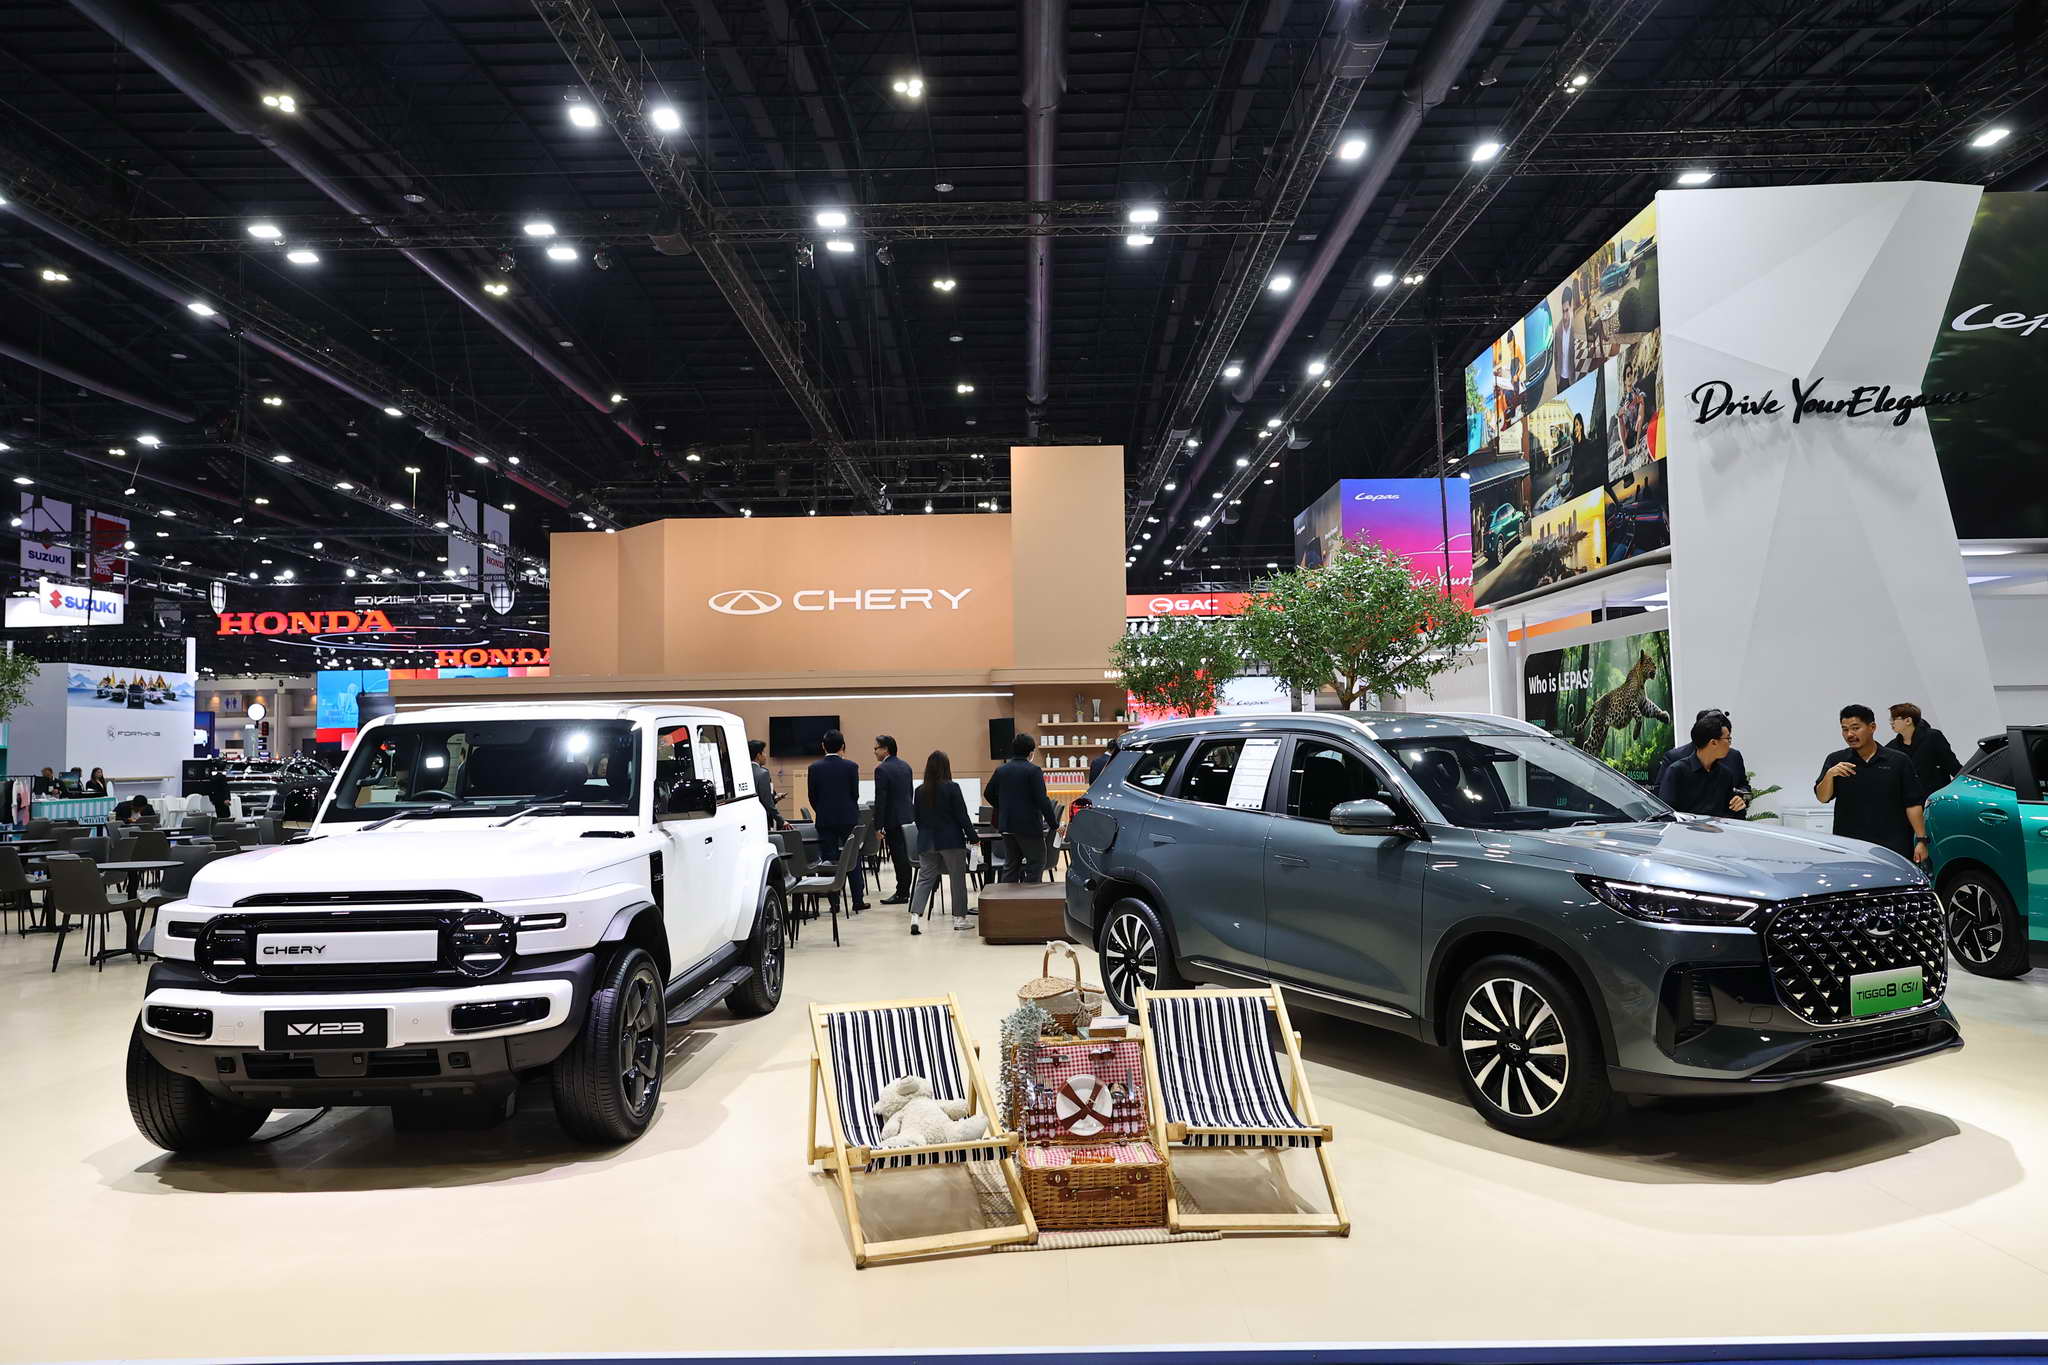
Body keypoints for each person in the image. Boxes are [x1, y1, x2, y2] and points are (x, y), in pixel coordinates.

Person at [1816, 703, 1929, 865]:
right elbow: (1822, 797)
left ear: (1872, 727)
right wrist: (1829, 775)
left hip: (1894, 845)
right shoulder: (1836, 760)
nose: (1849, 734)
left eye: (1855, 728)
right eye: (1845, 729)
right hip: (1850, 845)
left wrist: (1921, 840)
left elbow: (1912, 804)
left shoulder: (1898, 760)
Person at [908, 750, 975, 934]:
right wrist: (973, 837)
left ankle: (915, 916)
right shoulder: (952, 787)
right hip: (951, 840)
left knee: (925, 878)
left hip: (926, 841)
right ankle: (959, 918)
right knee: (957, 878)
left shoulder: (920, 791)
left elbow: (917, 818)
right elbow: (962, 816)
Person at [807, 729, 867, 911]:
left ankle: (834, 903)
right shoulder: (851, 766)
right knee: (852, 858)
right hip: (848, 818)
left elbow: (812, 796)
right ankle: (857, 900)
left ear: (823, 746)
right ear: (843, 746)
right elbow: (855, 794)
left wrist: (822, 810)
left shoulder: (814, 768)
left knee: (829, 859)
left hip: (825, 819)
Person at [986, 732, 1058, 883]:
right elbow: (1042, 800)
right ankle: (1029, 896)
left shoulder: (1001, 770)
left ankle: (1007, 897)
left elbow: (988, 793)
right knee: (1036, 863)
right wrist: (1054, 824)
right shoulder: (1033, 771)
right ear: (1031, 753)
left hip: (1007, 826)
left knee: (1011, 866)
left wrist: (1003, 807)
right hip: (1029, 827)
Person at [1648, 709, 1746, 809]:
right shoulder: (1676, 769)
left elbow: (1734, 807)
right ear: (1712, 742)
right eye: (1728, 738)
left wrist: (1739, 802)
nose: (1729, 743)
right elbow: (1665, 807)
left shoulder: (1726, 773)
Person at [872, 734, 915, 905]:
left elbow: (880, 800)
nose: (874, 751)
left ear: (886, 749)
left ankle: (902, 893)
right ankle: (905, 890)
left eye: (876, 748)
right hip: (907, 817)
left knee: (898, 857)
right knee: (905, 856)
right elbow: (909, 793)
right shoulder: (906, 766)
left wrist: (878, 826)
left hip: (893, 819)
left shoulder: (881, 769)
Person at [1886, 702, 1962, 797]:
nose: (1891, 722)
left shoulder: (1933, 737)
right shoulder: (1891, 748)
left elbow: (1952, 765)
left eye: (1894, 719)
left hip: (1939, 796)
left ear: (1908, 721)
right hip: (1913, 801)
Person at [747, 738, 781, 828]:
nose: (765, 756)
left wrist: (775, 798)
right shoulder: (763, 773)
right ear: (758, 755)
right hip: (762, 820)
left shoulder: (741, 772)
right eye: (764, 752)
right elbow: (767, 802)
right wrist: (781, 821)